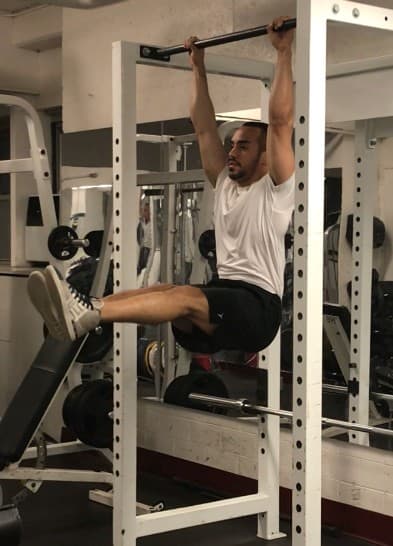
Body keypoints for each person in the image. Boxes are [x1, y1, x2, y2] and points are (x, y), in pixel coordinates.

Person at [27, 16, 295, 354]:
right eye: (233, 144)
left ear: (266, 157)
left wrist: (284, 53)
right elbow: (203, 128)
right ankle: (88, 306)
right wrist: (197, 67)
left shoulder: (275, 191)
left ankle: (90, 314)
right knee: (168, 291)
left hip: (258, 310)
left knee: (182, 297)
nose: (232, 151)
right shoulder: (226, 184)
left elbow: (282, 122)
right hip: (223, 297)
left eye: (244, 146)